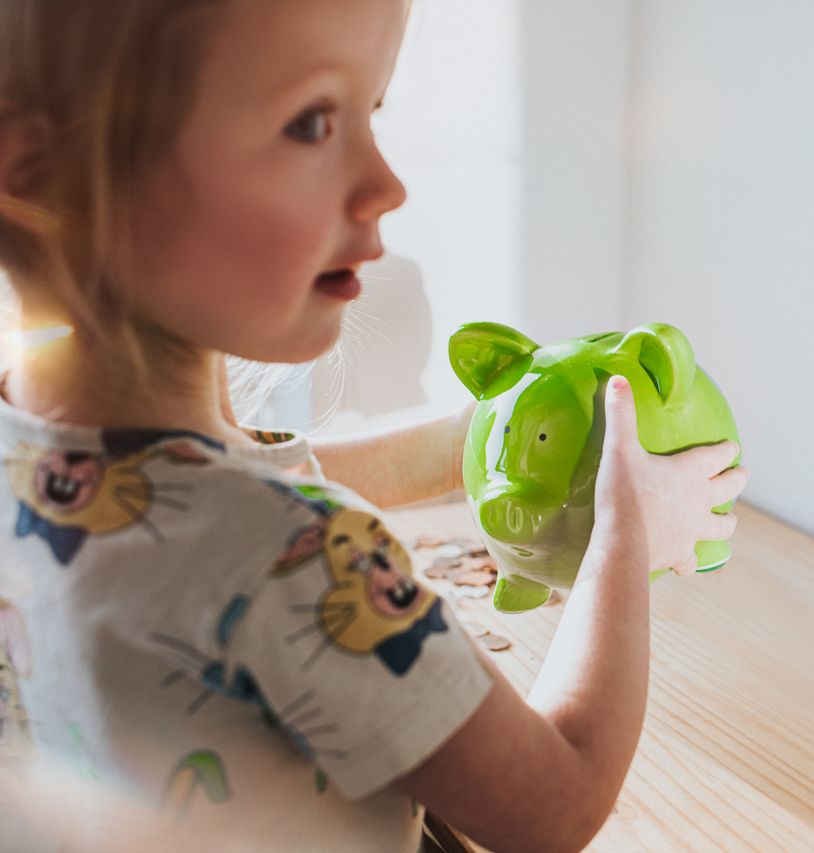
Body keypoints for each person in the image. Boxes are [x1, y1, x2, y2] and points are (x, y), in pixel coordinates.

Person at [0, 1, 749, 851]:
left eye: (374, 110)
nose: (388, 183)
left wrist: (467, 444)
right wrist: (628, 527)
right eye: (312, 122)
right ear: (45, 181)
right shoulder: (305, 561)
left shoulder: (35, 455)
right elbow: (558, 799)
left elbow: (191, 501)